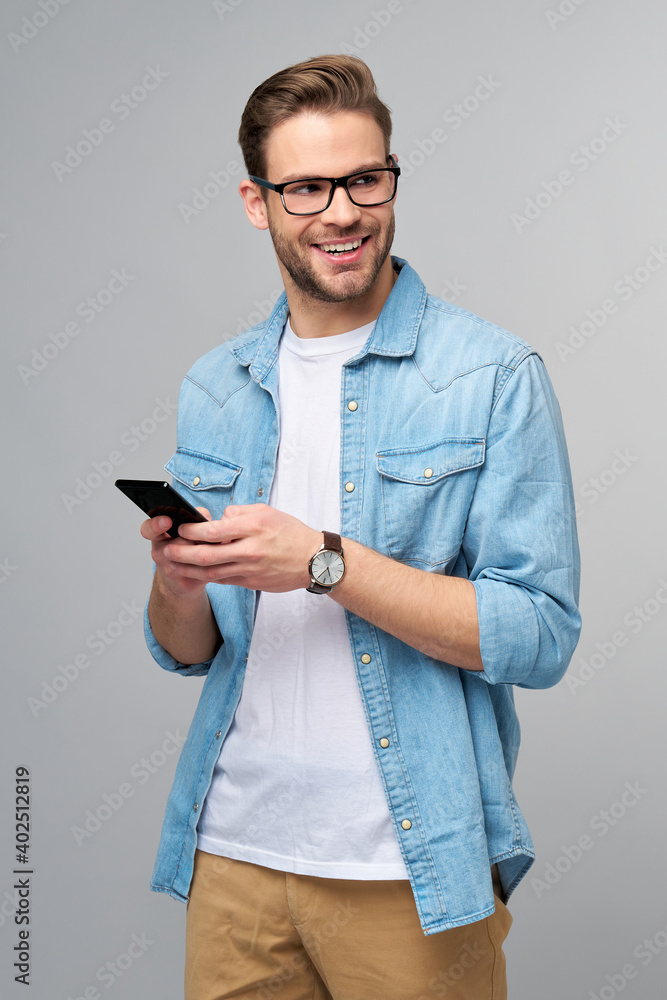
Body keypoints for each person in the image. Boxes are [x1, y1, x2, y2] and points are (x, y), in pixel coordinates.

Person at [141, 54, 581, 1000]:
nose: (341, 211)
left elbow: (539, 635)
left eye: (364, 178)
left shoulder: (491, 375)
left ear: (389, 177)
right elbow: (182, 651)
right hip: (232, 860)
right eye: (305, 187)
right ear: (257, 203)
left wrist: (324, 564)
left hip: (405, 871)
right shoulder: (215, 388)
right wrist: (177, 581)